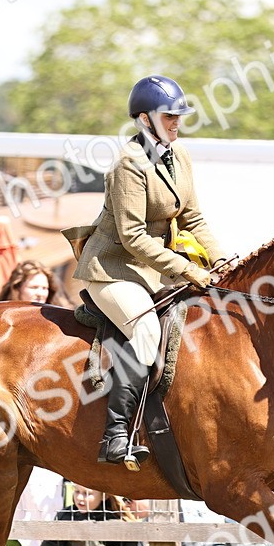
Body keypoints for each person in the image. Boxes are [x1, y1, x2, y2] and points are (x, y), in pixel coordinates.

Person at [72, 75, 224, 470]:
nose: (177, 122)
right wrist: (188, 268)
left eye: (179, 115)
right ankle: (117, 432)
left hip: (153, 268)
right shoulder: (128, 164)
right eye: (169, 116)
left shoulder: (180, 155)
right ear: (144, 119)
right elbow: (134, 236)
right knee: (146, 329)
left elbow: (192, 217)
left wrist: (223, 259)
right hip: (112, 267)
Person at [0, 259, 70, 307]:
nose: (40, 294)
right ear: (17, 288)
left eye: (44, 288)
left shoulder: (57, 318)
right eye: (34, 287)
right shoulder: (0, 319)